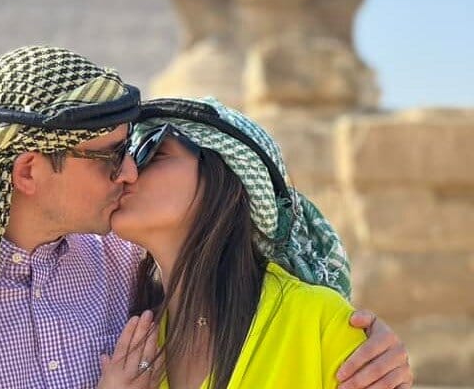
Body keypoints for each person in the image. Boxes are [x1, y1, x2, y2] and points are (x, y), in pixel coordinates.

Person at [0, 46, 411, 388]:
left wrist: (375, 353)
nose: (129, 173)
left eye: (144, 155)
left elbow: (261, 265)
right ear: (29, 172)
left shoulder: (125, 267)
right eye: (111, 157)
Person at [98, 97, 414, 389]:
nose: (125, 172)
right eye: (124, 156)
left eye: (153, 151)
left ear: (227, 176)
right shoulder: (132, 344)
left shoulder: (319, 321)